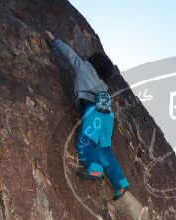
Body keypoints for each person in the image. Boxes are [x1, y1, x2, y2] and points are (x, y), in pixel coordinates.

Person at [44, 31, 130, 200]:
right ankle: (120, 183)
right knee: (104, 149)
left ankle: (94, 168)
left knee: (85, 142)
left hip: (93, 111)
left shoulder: (85, 68)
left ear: (93, 62)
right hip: (108, 117)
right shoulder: (104, 85)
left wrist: (54, 40)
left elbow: (70, 55)